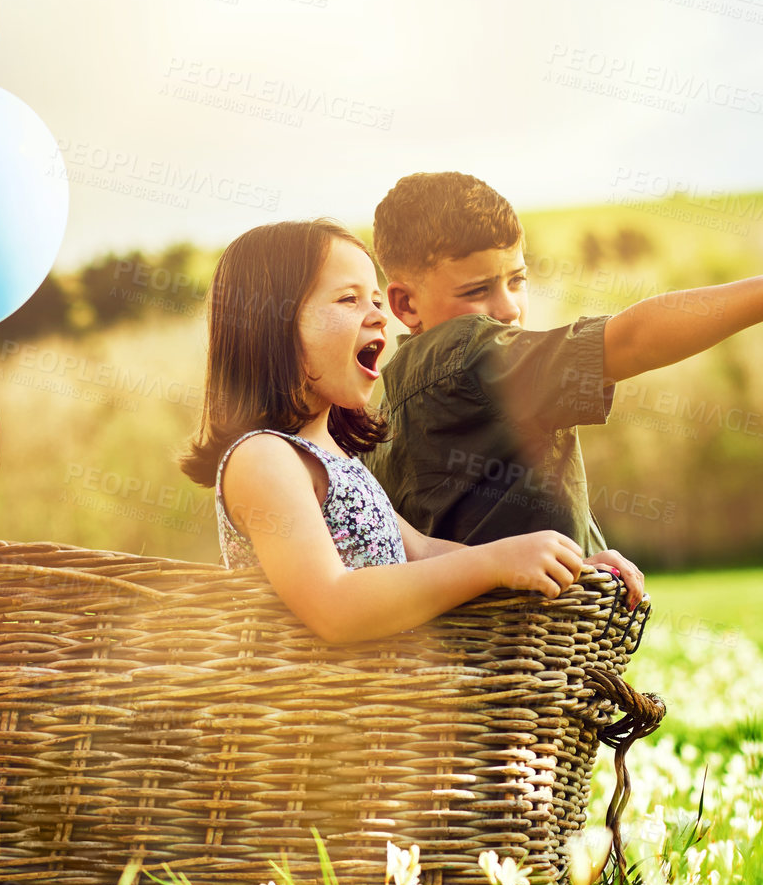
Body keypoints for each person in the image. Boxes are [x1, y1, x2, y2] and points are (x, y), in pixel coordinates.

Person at [363, 171, 763, 553]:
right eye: (477, 290)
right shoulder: (470, 357)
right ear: (405, 304)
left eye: (517, 279)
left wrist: (592, 554)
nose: (506, 307)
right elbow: (631, 341)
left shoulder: (391, 391)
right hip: (510, 655)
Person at [176, 218, 644, 647]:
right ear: (270, 323)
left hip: (382, 722)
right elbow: (334, 607)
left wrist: (570, 568)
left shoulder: (337, 459)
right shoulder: (264, 458)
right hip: (311, 727)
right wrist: (493, 562)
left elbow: (419, 550)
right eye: (348, 299)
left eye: (377, 300)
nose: (379, 316)